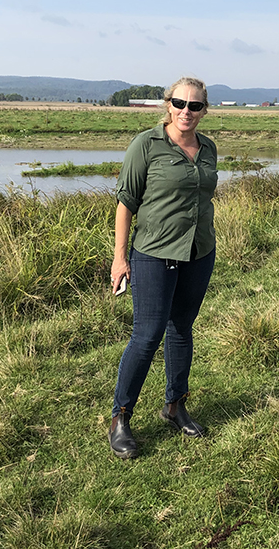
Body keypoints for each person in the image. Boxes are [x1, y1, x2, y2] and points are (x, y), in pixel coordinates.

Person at [108, 77, 218, 459]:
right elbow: (126, 202)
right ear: (167, 105)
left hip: (199, 253)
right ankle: (120, 417)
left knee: (181, 329)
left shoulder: (208, 149)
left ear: (205, 110)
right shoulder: (147, 144)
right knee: (147, 335)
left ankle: (175, 405)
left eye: (195, 105)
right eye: (180, 103)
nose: (187, 111)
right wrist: (120, 258)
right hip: (154, 253)